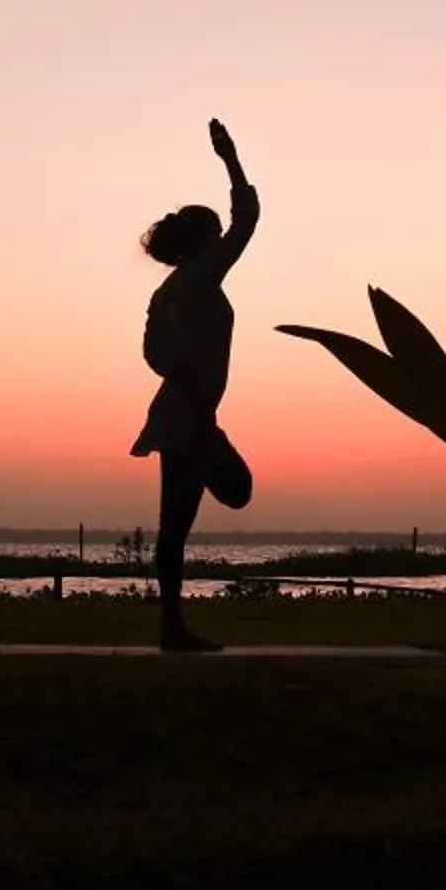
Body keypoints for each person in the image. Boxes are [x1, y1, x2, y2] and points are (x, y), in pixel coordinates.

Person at [132, 117, 258, 653]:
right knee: (187, 517)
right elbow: (247, 221)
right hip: (187, 414)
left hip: (185, 410)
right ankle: (172, 629)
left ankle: (171, 626)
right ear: (203, 243)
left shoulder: (168, 291)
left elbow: (151, 354)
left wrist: (186, 383)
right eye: (214, 234)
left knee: (194, 512)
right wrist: (230, 160)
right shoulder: (202, 276)